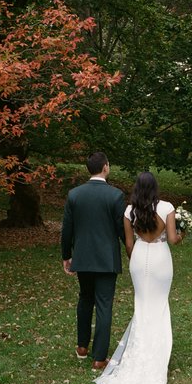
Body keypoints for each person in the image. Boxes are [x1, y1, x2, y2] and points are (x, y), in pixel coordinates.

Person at [93, 171, 182, 384]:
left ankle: (141, 352)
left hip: (139, 257)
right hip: (161, 260)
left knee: (142, 306)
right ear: (155, 187)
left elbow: (129, 245)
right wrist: (181, 234)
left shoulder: (129, 210)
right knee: (159, 305)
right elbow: (173, 239)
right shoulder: (167, 207)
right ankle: (157, 357)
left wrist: (138, 258)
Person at [61, 152, 127, 371]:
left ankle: (82, 347)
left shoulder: (75, 195)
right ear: (106, 167)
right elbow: (121, 230)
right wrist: (132, 251)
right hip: (106, 260)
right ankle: (99, 358)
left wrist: (66, 256)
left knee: (85, 299)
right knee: (104, 305)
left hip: (83, 257)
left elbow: (66, 230)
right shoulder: (115, 195)